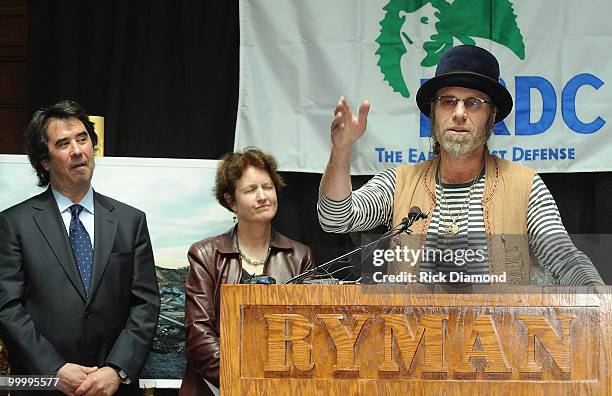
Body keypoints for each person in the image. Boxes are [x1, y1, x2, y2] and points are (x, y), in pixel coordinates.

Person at [318, 45, 603, 286]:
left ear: (492, 117)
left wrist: (599, 301)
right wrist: (341, 152)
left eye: (474, 103)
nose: (458, 113)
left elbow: (563, 258)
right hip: (414, 344)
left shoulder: (525, 186)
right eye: (448, 101)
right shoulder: (400, 182)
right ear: (433, 112)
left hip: (499, 345)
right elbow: (335, 219)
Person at [0, 100, 161, 395]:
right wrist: (54, 369)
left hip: (114, 387)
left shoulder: (130, 221)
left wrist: (117, 370)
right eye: (63, 143)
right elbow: (8, 308)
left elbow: (146, 305)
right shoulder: (13, 224)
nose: (77, 150)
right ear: (44, 161)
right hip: (44, 387)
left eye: (83, 138)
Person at [180, 148, 315, 396]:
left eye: (268, 187)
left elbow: (306, 334)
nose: (263, 196)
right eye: (251, 190)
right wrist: (248, 381)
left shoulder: (300, 256)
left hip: (280, 388)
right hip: (215, 388)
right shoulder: (205, 254)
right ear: (231, 201)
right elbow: (199, 336)